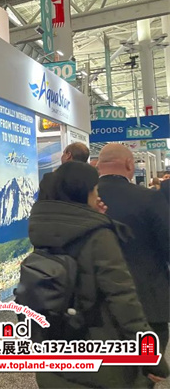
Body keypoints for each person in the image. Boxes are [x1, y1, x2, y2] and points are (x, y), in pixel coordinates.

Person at [28, 161, 168, 388]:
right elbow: (123, 300)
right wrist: (150, 356)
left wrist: (97, 218)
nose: (98, 195)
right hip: (97, 352)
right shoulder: (98, 236)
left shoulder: (42, 229)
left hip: (54, 348)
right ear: (83, 191)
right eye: (94, 189)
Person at [96, 143, 170, 362]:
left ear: (99, 166)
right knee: (148, 364)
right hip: (146, 297)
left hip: (95, 298)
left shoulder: (82, 198)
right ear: (130, 164)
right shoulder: (149, 198)